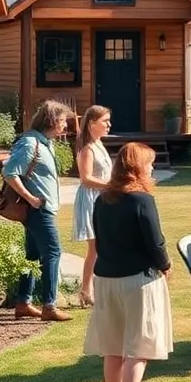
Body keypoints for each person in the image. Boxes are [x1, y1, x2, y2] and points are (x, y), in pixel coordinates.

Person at [84, 141, 173, 382]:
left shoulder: (102, 199)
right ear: (137, 167)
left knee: (113, 348)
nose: (152, 167)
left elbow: (98, 240)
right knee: (140, 348)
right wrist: (166, 266)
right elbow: (155, 242)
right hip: (138, 280)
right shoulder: (142, 200)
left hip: (106, 279)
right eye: (148, 163)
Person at [3, 100, 75, 322]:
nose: (65, 126)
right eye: (62, 121)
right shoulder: (30, 143)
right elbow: (10, 172)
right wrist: (31, 198)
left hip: (43, 208)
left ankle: (23, 303)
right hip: (37, 210)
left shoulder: (46, 143)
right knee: (53, 253)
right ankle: (49, 306)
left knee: (32, 256)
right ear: (51, 121)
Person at [73, 105, 113, 308]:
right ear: (91, 124)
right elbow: (85, 178)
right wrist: (112, 186)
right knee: (95, 248)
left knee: (101, 246)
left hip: (102, 198)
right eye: (104, 121)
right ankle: (86, 291)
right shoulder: (87, 148)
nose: (109, 125)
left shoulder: (99, 144)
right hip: (92, 199)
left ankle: (94, 289)